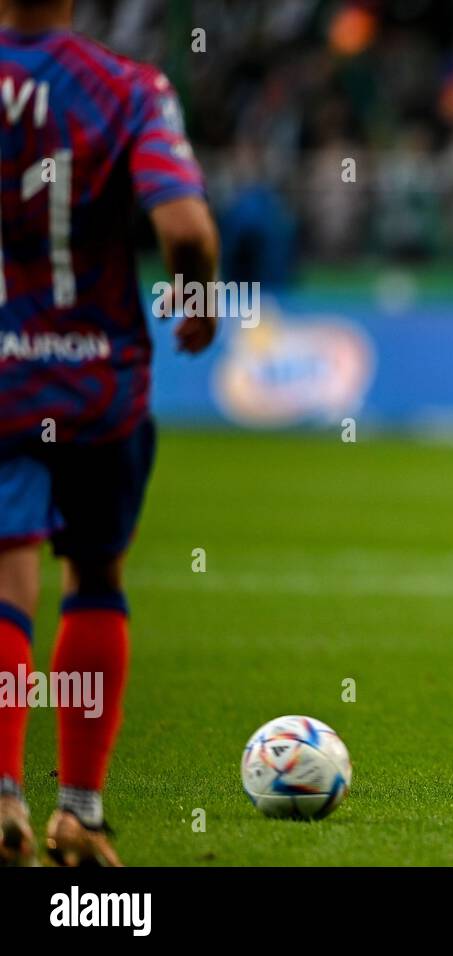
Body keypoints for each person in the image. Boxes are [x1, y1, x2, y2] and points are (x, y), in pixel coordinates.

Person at [0, 0, 218, 865]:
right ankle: (80, 814)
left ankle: (4, 794)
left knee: (8, 581)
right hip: (99, 381)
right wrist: (198, 297)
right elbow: (187, 228)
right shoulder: (126, 89)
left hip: (5, 378)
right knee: (95, 576)